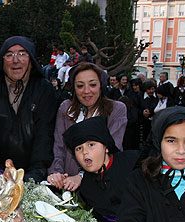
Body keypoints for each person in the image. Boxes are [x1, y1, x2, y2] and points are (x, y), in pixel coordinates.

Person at [0, 36, 59, 183]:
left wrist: (36, 173)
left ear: (31, 60)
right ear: (2, 61)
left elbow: (45, 133)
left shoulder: (45, 90)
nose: (15, 60)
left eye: (22, 53)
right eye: (9, 54)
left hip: (34, 172)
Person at [47, 63, 127, 191]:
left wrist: (81, 176)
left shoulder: (116, 109)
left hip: (101, 184)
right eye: (80, 86)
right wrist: (57, 172)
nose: (86, 91)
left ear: (101, 85)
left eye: (93, 84)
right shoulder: (65, 108)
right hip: (66, 182)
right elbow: (58, 145)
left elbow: (113, 149)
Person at [62, 115, 139, 222]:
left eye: (91, 145)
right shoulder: (86, 187)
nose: (85, 152)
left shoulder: (133, 163)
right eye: (79, 148)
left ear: (106, 147)